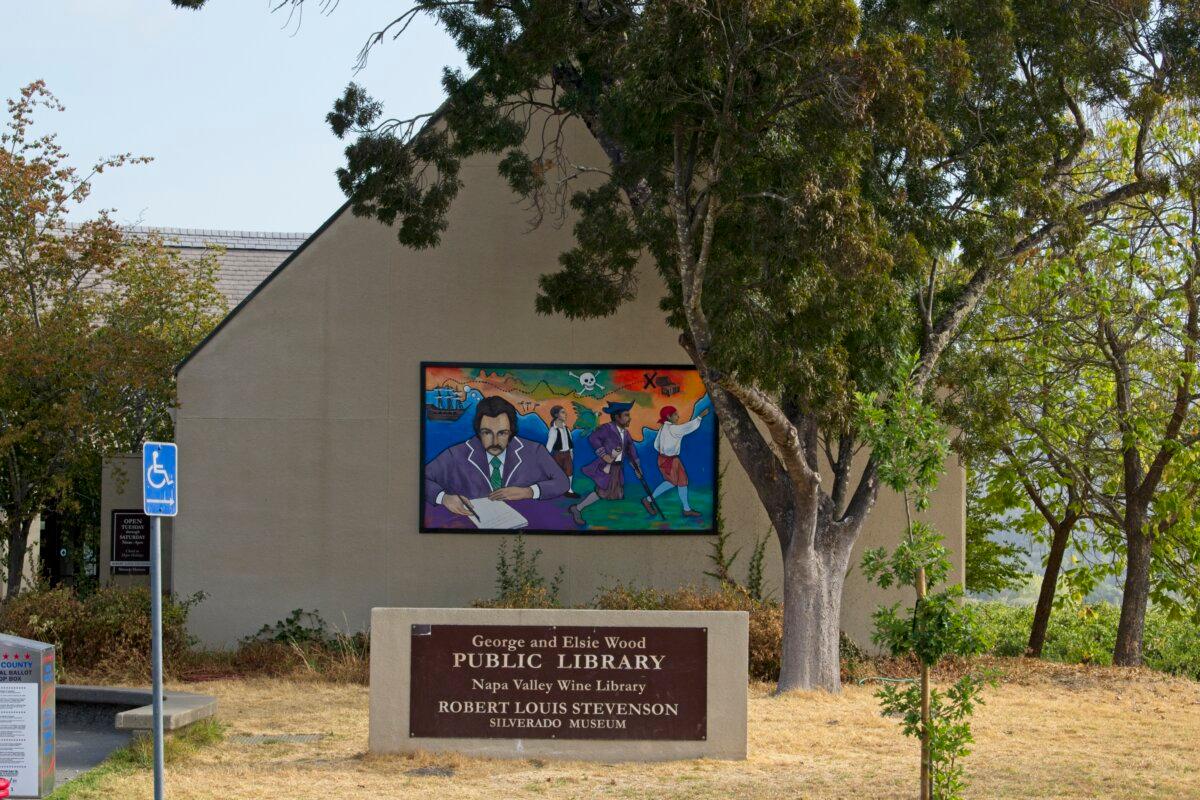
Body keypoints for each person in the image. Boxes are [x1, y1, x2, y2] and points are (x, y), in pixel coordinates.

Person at [424, 395, 569, 518]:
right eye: (487, 432)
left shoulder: (535, 451)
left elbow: (563, 482)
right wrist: (443, 498)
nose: (494, 442)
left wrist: (528, 492)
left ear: (511, 431)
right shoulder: (455, 455)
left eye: (502, 433)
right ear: (478, 431)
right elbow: (421, 479)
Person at [570, 401, 655, 526]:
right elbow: (593, 438)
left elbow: (631, 450)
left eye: (628, 415)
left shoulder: (626, 433)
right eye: (626, 415)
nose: (629, 418)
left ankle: (577, 508)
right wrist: (604, 455)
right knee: (602, 491)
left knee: (605, 492)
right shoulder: (606, 428)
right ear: (617, 417)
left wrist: (637, 467)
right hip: (606, 466)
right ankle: (577, 509)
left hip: (617, 468)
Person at [649, 405, 710, 518]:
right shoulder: (672, 428)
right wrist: (700, 417)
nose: (678, 416)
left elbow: (656, 445)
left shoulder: (664, 428)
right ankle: (648, 500)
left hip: (671, 459)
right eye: (676, 414)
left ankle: (686, 509)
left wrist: (664, 452)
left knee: (682, 481)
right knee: (672, 482)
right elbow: (688, 427)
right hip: (668, 460)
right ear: (669, 416)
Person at [545, 405, 579, 498]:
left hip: (567, 454)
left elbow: (570, 441)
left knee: (569, 472)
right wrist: (546, 459)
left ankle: (569, 490)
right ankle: (555, 489)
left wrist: (571, 453)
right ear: (556, 415)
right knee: (557, 473)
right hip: (557, 455)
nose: (565, 414)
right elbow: (549, 446)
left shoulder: (566, 428)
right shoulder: (553, 430)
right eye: (563, 412)